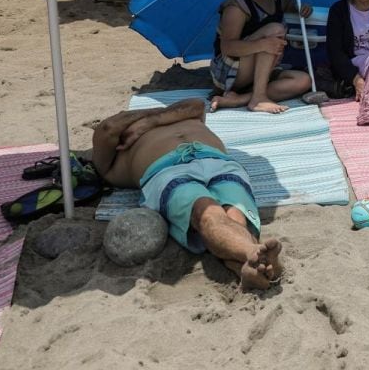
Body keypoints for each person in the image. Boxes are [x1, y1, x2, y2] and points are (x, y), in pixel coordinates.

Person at [91, 98, 283, 290]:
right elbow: (108, 127)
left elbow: (197, 104)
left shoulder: (153, 121)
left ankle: (247, 266)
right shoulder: (115, 155)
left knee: (236, 214)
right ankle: (253, 253)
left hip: (218, 160)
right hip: (167, 170)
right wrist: (157, 117)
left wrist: (150, 122)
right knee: (206, 211)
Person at [209, 0, 312, 113]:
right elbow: (227, 47)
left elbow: (293, 5)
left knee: (303, 81)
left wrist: (304, 8)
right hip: (231, 72)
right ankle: (257, 99)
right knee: (275, 29)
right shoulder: (236, 5)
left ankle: (240, 99)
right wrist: (262, 45)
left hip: (262, 69)